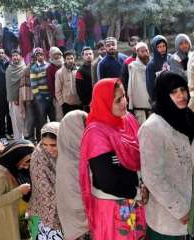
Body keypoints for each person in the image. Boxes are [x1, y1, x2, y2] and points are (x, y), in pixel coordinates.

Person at [79, 78, 146, 240]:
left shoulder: (127, 120)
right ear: (104, 102)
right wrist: (138, 192)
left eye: (123, 96)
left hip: (135, 201)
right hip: (115, 205)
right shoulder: (96, 133)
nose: (124, 102)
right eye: (117, 100)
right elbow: (107, 180)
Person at [139, 71, 194, 239]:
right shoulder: (152, 128)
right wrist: (180, 209)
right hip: (169, 217)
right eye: (173, 92)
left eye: (182, 90)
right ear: (163, 94)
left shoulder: (188, 118)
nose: (181, 95)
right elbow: (153, 177)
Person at [0, 139, 35, 240]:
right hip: (5, 222)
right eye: (26, 161)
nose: (27, 166)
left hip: (18, 219)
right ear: (16, 156)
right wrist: (19, 191)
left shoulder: (19, 169)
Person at [56, 110, 90, 240]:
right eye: (85, 126)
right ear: (75, 131)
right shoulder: (70, 163)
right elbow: (76, 202)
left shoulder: (71, 155)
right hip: (81, 228)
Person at [28, 122, 63, 240]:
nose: (48, 149)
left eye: (53, 145)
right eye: (45, 144)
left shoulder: (67, 151)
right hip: (44, 217)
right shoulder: (38, 158)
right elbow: (47, 193)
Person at [30, 48, 56, 139]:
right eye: (37, 55)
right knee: (42, 120)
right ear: (36, 57)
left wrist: (52, 95)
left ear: (44, 55)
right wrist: (39, 97)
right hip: (41, 98)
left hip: (50, 96)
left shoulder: (48, 66)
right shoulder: (33, 68)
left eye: (41, 54)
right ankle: (42, 139)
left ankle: (54, 137)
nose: (39, 56)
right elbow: (34, 84)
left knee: (53, 117)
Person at [127, 42, 151, 125]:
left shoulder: (152, 65)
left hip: (153, 105)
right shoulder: (133, 67)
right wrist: (130, 106)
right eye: (142, 51)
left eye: (146, 51)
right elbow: (130, 87)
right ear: (137, 52)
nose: (145, 53)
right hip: (140, 108)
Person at [6, 49, 27, 140]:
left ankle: (26, 137)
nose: (15, 57)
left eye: (16, 55)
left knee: (24, 119)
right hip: (13, 99)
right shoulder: (9, 68)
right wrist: (15, 97)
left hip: (24, 97)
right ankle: (18, 139)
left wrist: (20, 97)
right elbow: (9, 85)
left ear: (20, 57)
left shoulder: (24, 67)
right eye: (13, 56)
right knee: (15, 120)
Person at [146, 35, 171, 102]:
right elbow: (150, 86)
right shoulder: (151, 65)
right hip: (160, 99)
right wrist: (155, 102)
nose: (162, 49)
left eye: (163, 46)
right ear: (154, 48)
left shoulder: (171, 58)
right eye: (159, 47)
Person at [55, 50, 81, 115]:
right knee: (69, 124)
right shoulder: (59, 73)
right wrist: (62, 103)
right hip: (67, 104)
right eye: (68, 59)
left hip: (79, 103)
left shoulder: (78, 70)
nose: (70, 60)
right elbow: (58, 90)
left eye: (71, 58)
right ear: (64, 60)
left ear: (74, 58)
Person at [47, 47, 64, 120]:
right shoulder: (50, 68)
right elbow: (50, 84)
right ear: (51, 56)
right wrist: (55, 96)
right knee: (60, 115)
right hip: (57, 96)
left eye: (58, 54)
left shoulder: (64, 64)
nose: (57, 56)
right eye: (54, 54)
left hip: (67, 94)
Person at [76, 47, 94, 112]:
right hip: (88, 102)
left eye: (90, 54)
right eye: (86, 54)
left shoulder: (97, 66)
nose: (89, 56)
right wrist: (86, 103)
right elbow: (79, 89)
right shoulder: (80, 71)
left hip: (99, 99)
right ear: (83, 56)